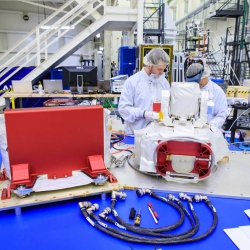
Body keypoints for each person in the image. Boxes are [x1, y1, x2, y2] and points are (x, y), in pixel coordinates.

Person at [118, 48, 171, 134]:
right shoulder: (133, 82)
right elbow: (123, 109)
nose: (162, 72)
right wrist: (143, 114)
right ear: (149, 65)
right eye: (159, 69)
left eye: (164, 69)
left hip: (157, 134)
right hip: (136, 134)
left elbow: (169, 106)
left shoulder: (163, 83)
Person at [186, 63, 228, 128]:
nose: (195, 84)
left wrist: (209, 126)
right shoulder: (187, 89)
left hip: (209, 131)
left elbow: (221, 115)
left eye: (197, 82)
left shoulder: (217, 91)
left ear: (204, 76)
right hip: (190, 129)